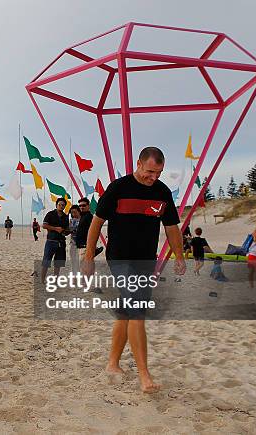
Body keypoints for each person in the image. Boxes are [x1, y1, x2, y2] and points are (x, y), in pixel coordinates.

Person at [82, 147, 186, 393]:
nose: (153, 178)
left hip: (145, 261)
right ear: (138, 164)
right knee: (137, 310)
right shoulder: (118, 187)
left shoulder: (162, 192)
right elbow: (96, 223)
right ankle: (144, 374)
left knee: (127, 312)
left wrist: (180, 256)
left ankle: (112, 363)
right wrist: (88, 257)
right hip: (119, 259)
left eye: (158, 173)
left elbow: (171, 227)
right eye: (150, 171)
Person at [41, 197, 69, 283]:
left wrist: (67, 232)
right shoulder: (50, 214)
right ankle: (42, 280)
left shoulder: (65, 217)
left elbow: (66, 229)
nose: (61, 206)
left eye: (63, 205)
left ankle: (56, 280)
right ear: (56, 205)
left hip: (61, 242)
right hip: (51, 241)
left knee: (58, 263)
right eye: (59, 204)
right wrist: (56, 229)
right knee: (46, 261)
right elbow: (44, 225)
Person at [68, 205, 81, 274]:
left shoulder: (83, 219)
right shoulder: (72, 221)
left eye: (75, 212)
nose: (73, 214)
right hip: (73, 243)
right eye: (72, 212)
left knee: (80, 262)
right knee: (73, 261)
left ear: (79, 212)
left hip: (81, 244)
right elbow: (70, 229)